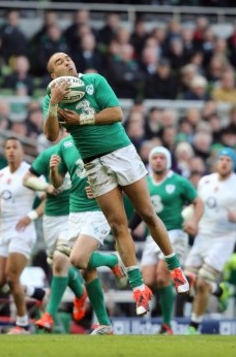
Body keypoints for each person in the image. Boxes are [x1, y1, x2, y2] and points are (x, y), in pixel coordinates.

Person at [43, 52, 188, 316]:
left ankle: (175, 267)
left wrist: (83, 120)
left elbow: (116, 113)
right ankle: (138, 289)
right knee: (119, 225)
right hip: (93, 165)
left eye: (67, 58)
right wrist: (53, 104)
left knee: (146, 213)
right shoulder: (50, 98)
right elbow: (52, 135)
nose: (67, 61)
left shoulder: (94, 81)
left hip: (120, 152)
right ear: (54, 76)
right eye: (59, 62)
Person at [36, 133, 121, 334]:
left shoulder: (100, 138)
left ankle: (49, 315)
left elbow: (120, 173)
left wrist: (104, 189)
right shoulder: (62, 147)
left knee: (68, 258)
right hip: (73, 214)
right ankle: (104, 324)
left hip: (97, 210)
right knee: (84, 268)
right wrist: (52, 173)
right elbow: (55, 182)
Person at [185, 148, 236, 334]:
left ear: (233, 163)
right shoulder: (205, 181)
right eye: (221, 159)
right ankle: (218, 290)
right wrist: (191, 220)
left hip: (223, 239)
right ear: (216, 162)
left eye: (228, 160)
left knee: (202, 282)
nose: (224, 162)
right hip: (203, 236)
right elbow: (198, 205)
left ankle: (194, 325)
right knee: (187, 280)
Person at [22, 135, 89, 329]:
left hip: (74, 216)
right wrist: (45, 187)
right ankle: (79, 292)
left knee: (61, 259)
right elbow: (27, 178)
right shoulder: (48, 155)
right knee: (59, 265)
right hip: (51, 219)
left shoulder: (84, 152)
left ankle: (48, 315)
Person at [135, 146, 204, 334]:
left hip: (175, 233)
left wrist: (194, 221)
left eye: (161, 158)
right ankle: (188, 282)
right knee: (148, 280)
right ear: (150, 161)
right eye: (154, 157)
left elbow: (199, 202)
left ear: (168, 161)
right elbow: (137, 210)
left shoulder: (179, 182)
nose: (158, 161)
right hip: (152, 236)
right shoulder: (144, 183)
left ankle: (167, 324)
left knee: (162, 275)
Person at [0, 137, 45, 334]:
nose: (11, 151)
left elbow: (47, 199)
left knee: (12, 278)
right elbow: (0, 198)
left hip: (22, 230)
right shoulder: (0, 175)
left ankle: (22, 323)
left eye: (15, 147)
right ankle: (35, 293)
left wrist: (32, 216)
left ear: (22, 151)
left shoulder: (31, 173)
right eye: (7, 147)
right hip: (4, 230)